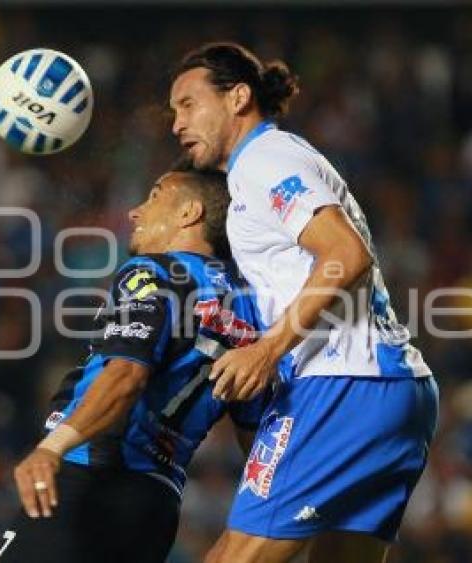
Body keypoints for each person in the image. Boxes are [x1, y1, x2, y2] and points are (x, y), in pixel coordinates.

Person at [168, 43, 439, 563]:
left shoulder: (263, 160)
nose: (177, 123)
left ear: (238, 97)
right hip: (394, 387)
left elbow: (345, 255)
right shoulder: (281, 159)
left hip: (343, 386)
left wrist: (268, 350)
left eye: (187, 104)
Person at [0, 167, 267, 563]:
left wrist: (52, 448)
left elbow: (127, 375)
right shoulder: (250, 308)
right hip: (156, 508)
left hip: (90, 479)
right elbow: (253, 436)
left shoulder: (155, 272)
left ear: (189, 212)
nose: (135, 212)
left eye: (155, 196)